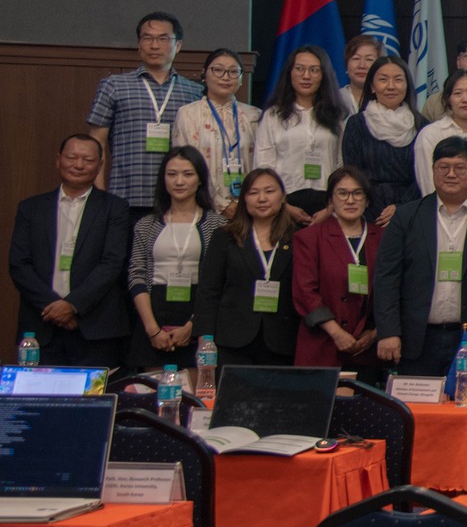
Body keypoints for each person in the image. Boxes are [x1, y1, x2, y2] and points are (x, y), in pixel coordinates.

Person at [373, 137, 467, 388]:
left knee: (466, 408)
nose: (451, 174)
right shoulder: (407, 216)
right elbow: (386, 276)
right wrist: (388, 332)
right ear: (433, 170)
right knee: (418, 409)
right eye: (443, 167)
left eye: (460, 167)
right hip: (417, 340)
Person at [8, 134, 131, 368]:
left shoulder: (115, 208)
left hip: (96, 328)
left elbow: (113, 263)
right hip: (41, 326)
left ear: (100, 165)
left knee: (96, 392)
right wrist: (54, 307)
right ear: (58, 160)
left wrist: (72, 305)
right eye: (72, 157)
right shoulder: (31, 208)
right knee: (39, 392)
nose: (78, 165)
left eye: (88, 160)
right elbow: (19, 264)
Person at [88, 11, 203, 220]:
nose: (154, 45)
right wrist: (100, 195)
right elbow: (96, 143)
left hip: (178, 200)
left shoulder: (194, 92)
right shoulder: (114, 85)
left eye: (163, 39)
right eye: (147, 38)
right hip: (125, 197)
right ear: (139, 44)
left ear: (178, 45)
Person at [125, 147, 223, 371]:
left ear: (200, 179)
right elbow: (137, 275)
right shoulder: (146, 225)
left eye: (188, 174)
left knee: (197, 390)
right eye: (172, 174)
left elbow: (217, 283)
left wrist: (193, 326)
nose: (179, 181)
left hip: (199, 316)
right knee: (152, 389)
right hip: (153, 315)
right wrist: (152, 330)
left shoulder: (218, 225)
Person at [194, 166, 298, 367]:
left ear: (283, 196)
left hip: (282, 342)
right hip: (231, 343)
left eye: (269, 191)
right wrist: (205, 340)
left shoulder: (298, 238)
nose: (262, 199)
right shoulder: (224, 237)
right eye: (253, 193)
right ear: (243, 199)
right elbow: (208, 291)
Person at [290, 166, 383, 372]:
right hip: (322, 346)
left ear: (367, 200)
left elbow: (395, 290)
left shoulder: (383, 238)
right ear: (330, 200)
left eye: (357, 193)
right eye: (342, 193)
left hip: (367, 349)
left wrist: (375, 333)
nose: (350, 200)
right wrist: (336, 332)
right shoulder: (309, 238)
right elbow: (305, 292)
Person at [253, 44, 347, 226]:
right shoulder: (273, 115)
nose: (306, 76)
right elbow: (263, 166)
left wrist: (331, 207)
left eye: (314, 70)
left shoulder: (337, 116)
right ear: (289, 73)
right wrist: (284, 206)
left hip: (328, 205)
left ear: (324, 75)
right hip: (283, 204)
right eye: (300, 69)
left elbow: (341, 165)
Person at [172, 48, 262, 218]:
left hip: (249, 209)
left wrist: (246, 203)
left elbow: (262, 165)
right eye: (218, 70)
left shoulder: (254, 116)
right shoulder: (188, 114)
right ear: (204, 74)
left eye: (233, 71)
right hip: (202, 207)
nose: (225, 77)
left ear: (241, 78)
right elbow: (185, 166)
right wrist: (220, 204)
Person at [341, 54, 423, 226]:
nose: (391, 86)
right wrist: (373, 209)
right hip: (366, 210)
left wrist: (401, 208)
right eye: (383, 80)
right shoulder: (357, 124)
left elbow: (424, 176)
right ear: (372, 86)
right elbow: (353, 173)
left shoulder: (422, 125)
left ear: (407, 85)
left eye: (398, 80)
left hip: (411, 212)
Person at [413, 69, 467, 206]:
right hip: (440, 213)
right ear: (447, 99)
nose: (465, 99)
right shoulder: (430, 135)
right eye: (458, 93)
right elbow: (428, 184)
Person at [339, 34, 382, 115]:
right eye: (356, 58)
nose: (362, 65)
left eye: (369, 59)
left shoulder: (386, 100)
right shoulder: (332, 100)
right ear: (346, 65)